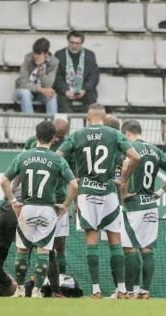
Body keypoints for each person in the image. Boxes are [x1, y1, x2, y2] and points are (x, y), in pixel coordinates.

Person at [57, 103, 140, 299]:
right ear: (104, 117)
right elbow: (134, 156)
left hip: (87, 192)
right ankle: (122, 289)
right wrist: (124, 179)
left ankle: (95, 290)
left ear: (87, 117)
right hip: (109, 191)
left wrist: (70, 177)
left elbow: (58, 157)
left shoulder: (78, 135)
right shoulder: (113, 133)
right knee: (115, 241)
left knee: (91, 242)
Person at [0, 120, 78, 298]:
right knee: (44, 251)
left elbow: (4, 181)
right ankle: (37, 291)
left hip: (27, 207)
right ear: (53, 139)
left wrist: (13, 200)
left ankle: (19, 289)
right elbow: (73, 184)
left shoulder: (24, 156)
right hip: (47, 209)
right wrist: (65, 205)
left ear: (36, 136)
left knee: (22, 250)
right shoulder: (57, 159)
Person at [120, 120, 166, 300]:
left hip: (134, 204)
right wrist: (161, 191)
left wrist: (123, 191)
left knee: (129, 248)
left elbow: (125, 169)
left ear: (127, 133)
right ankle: (144, 291)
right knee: (147, 249)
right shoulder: (155, 150)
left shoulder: (129, 148)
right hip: (151, 204)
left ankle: (129, 291)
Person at [24, 117, 72, 295]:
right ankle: (33, 282)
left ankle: (61, 281)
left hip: (58, 200)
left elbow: (74, 177)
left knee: (58, 245)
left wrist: (68, 202)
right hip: (35, 200)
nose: (58, 139)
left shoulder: (69, 145)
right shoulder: (32, 142)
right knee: (29, 244)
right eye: (56, 135)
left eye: (62, 136)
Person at [53, 31, 99, 113]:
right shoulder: (59, 55)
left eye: (77, 43)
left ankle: (87, 124)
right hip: (66, 90)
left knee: (91, 100)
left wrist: (84, 89)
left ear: (82, 43)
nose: (74, 46)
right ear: (68, 41)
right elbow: (57, 76)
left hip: (84, 90)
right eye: (72, 43)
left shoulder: (90, 55)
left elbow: (94, 76)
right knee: (62, 102)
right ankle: (68, 125)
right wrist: (65, 90)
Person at [14, 38, 58, 115]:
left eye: (39, 54)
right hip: (25, 90)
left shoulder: (54, 62)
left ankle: (51, 124)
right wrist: (40, 89)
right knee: (25, 93)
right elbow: (22, 82)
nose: (35, 56)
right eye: (35, 53)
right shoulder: (28, 58)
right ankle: (30, 122)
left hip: (41, 94)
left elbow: (48, 85)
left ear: (46, 54)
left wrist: (41, 68)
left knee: (52, 96)